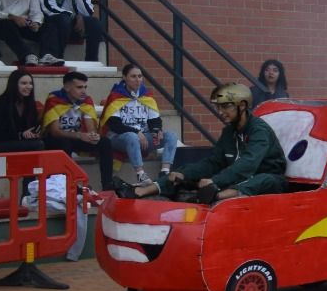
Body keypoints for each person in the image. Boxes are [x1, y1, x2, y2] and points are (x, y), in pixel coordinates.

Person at [126, 83, 288, 203]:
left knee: (263, 180)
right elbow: (213, 162)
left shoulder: (259, 130)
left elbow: (248, 164)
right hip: (235, 178)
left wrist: (215, 181)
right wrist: (186, 174)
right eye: (218, 107)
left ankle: (215, 195)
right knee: (181, 173)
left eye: (225, 106)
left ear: (243, 105)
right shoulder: (229, 132)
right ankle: (143, 190)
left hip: (266, 180)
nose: (220, 112)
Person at [102, 62, 178, 186]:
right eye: (133, 76)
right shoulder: (116, 96)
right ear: (124, 78)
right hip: (118, 137)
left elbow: (155, 120)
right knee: (132, 137)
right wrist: (136, 132)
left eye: (140, 76)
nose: (137, 80)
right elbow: (114, 125)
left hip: (142, 137)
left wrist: (156, 130)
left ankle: (165, 172)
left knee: (171, 136)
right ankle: (141, 174)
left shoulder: (146, 96)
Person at [41, 69, 114, 187]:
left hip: (76, 137)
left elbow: (90, 126)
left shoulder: (86, 101)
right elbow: (55, 132)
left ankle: (108, 186)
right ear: (67, 87)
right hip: (56, 139)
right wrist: (80, 135)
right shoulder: (54, 99)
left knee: (104, 142)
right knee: (64, 143)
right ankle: (68, 185)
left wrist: (92, 135)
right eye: (79, 87)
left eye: (85, 87)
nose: (84, 91)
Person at [0, 68, 45, 152]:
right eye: (24, 83)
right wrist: (20, 135)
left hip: (19, 141)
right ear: (14, 85)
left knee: (44, 141)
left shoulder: (30, 103)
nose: (29, 86)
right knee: (37, 145)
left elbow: (32, 125)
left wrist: (33, 133)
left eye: (30, 83)